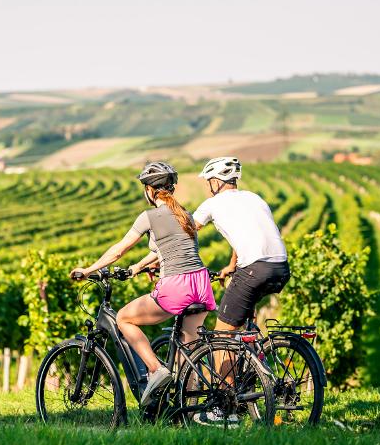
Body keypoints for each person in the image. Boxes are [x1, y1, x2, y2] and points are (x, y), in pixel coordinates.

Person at [70, 161, 215, 405]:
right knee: (187, 351)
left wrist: (89, 270)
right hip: (201, 284)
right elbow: (167, 248)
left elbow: (118, 251)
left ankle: (155, 369)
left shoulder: (149, 216)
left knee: (124, 318)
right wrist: (139, 266)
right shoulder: (185, 215)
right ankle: (190, 411)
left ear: (149, 190)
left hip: (176, 286)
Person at [193, 157, 290, 332]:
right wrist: (232, 265)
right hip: (281, 268)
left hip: (255, 270)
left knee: (223, 336)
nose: (208, 187)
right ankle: (256, 356)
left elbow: (186, 231)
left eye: (208, 182)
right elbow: (249, 235)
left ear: (215, 182)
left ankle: (230, 355)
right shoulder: (255, 198)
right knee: (245, 329)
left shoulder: (211, 204)